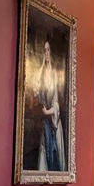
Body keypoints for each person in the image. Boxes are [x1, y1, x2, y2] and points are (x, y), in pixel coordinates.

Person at [35, 39, 64, 171]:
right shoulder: (41, 74)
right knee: (43, 156)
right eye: (44, 51)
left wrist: (48, 112)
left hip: (54, 122)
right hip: (45, 123)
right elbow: (36, 91)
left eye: (48, 50)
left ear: (51, 52)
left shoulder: (54, 74)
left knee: (54, 156)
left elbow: (56, 102)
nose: (46, 53)